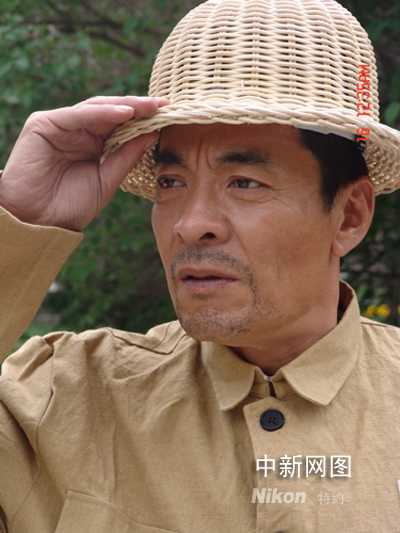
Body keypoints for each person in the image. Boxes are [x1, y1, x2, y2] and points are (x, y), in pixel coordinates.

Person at [0, 0, 400, 532]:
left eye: (244, 183)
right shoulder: (63, 399)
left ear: (349, 215)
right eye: (172, 182)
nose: (191, 224)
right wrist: (18, 223)